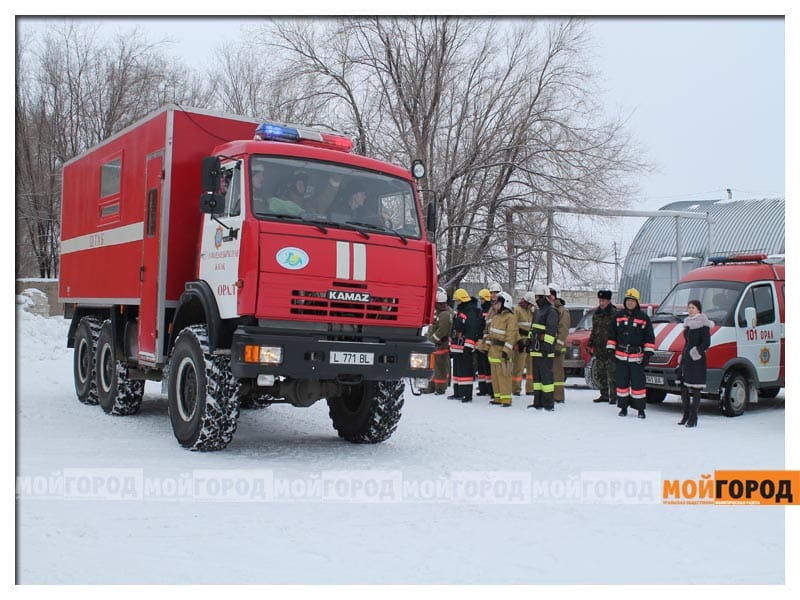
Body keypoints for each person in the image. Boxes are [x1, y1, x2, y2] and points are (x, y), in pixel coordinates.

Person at [606, 288, 655, 419]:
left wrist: (648, 354)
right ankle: (623, 407)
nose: (630, 303)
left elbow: (649, 337)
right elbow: (611, 334)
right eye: (628, 300)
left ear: (637, 302)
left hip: (637, 357)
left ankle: (640, 409)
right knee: (622, 384)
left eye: (632, 301)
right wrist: (610, 350)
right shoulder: (618, 316)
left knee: (638, 385)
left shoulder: (644, 318)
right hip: (621, 356)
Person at [675, 299, 713, 427]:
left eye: (693, 308)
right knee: (684, 388)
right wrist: (683, 354)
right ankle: (686, 414)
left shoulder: (703, 324)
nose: (690, 310)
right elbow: (687, 342)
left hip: (697, 360)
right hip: (686, 359)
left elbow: (706, 342)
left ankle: (694, 417)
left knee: (696, 389)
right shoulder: (688, 323)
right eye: (689, 307)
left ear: (698, 310)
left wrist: (695, 352)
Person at [527, 284, 558, 411]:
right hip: (536, 349)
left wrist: (547, 345)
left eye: (538, 296)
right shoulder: (538, 311)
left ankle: (548, 403)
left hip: (545, 350)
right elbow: (533, 328)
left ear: (544, 297)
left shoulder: (552, 311)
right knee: (537, 378)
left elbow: (551, 330)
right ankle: (537, 402)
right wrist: (528, 340)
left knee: (546, 379)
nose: (536, 299)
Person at [449, 288, 482, 403]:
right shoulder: (461, 311)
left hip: (465, 347)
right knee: (457, 372)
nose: (456, 303)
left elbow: (471, 330)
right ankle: (457, 392)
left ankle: (467, 395)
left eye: (458, 301)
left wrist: (468, 347)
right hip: (457, 347)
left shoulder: (470, 312)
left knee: (466, 372)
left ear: (462, 300)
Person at [486, 291, 518, 406]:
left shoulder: (510, 317)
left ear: (505, 304)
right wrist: (487, 346)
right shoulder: (496, 317)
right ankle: (498, 398)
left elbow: (511, 336)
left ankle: (506, 399)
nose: (496, 305)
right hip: (493, 351)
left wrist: (506, 351)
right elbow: (491, 333)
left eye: (498, 303)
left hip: (502, 351)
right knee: (495, 377)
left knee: (504, 376)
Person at [587, 290, 617, 404]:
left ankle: (614, 396)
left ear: (608, 300)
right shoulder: (597, 314)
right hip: (599, 348)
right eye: (600, 300)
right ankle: (604, 394)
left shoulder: (614, 313)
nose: (601, 303)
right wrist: (590, 344)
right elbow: (594, 330)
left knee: (612, 373)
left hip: (610, 348)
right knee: (601, 372)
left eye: (603, 300)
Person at [424, 288, 454, 395]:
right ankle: (431, 386)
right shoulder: (439, 312)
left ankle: (440, 388)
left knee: (440, 368)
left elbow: (442, 330)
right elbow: (432, 327)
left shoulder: (445, 314)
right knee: (433, 367)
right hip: (435, 345)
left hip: (441, 344)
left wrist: (432, 340)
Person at [549, 283, 571, 403]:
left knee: (557, 374)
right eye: (549, 294)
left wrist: (557, 346)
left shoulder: (562, 311)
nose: (550, 297)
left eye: (552, 294)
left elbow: (563, 330)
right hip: (548, 347)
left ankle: (558, 397)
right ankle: (550, 394)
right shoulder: (549, 310)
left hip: (557, 349)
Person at [511, 293, 534, 396]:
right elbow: (514, 327)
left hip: (529, 342)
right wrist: (518, 341)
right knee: (518, 367)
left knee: (531, 367)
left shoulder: (530, 311)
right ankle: (515, 389)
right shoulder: (517, 310)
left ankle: (530, 389)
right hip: (520, 342)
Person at [475, 288, 493, 396]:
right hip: (480, 340)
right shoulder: (482, 310)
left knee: (486, 365)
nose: (480, 300)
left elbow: (485, 326)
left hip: (485, 340)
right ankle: (483, 388)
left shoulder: (487, 311)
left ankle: (489, 389)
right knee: (481, 366)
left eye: (482, 299)